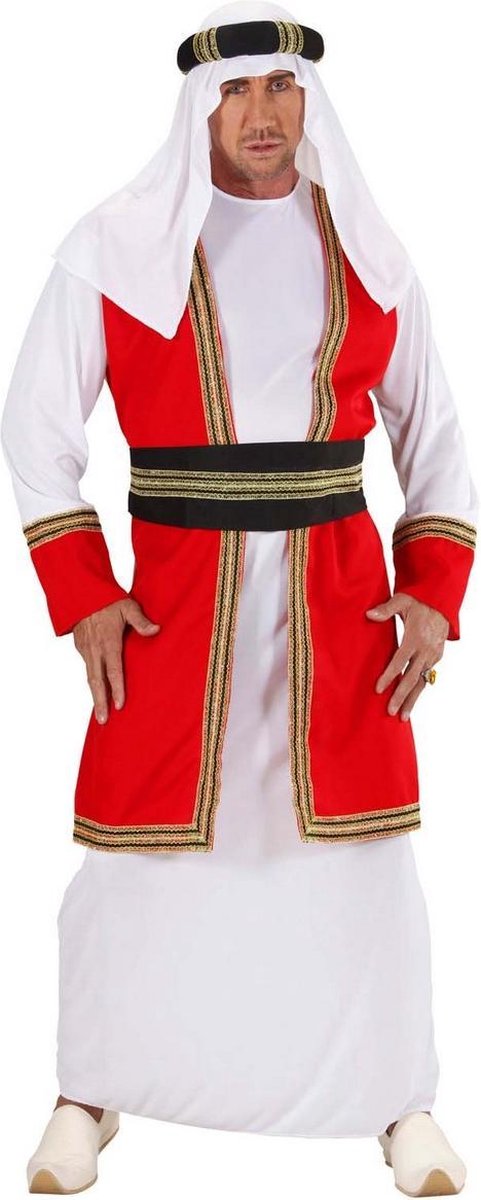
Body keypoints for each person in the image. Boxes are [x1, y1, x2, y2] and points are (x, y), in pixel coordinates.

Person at [1, 2, 477, 1196]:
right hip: (173, 612)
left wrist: (431, 591)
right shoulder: (116, 245)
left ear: (309, 100)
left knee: (360, 862)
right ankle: (89, 1091)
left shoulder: (369, 249)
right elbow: (37, 427)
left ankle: (398, 1100)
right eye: (235, 90)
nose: (261, 113)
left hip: (336, 606)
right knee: (134, 863)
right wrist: (84, 590)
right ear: (198, 106)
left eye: (280, 87)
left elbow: (436, 438)